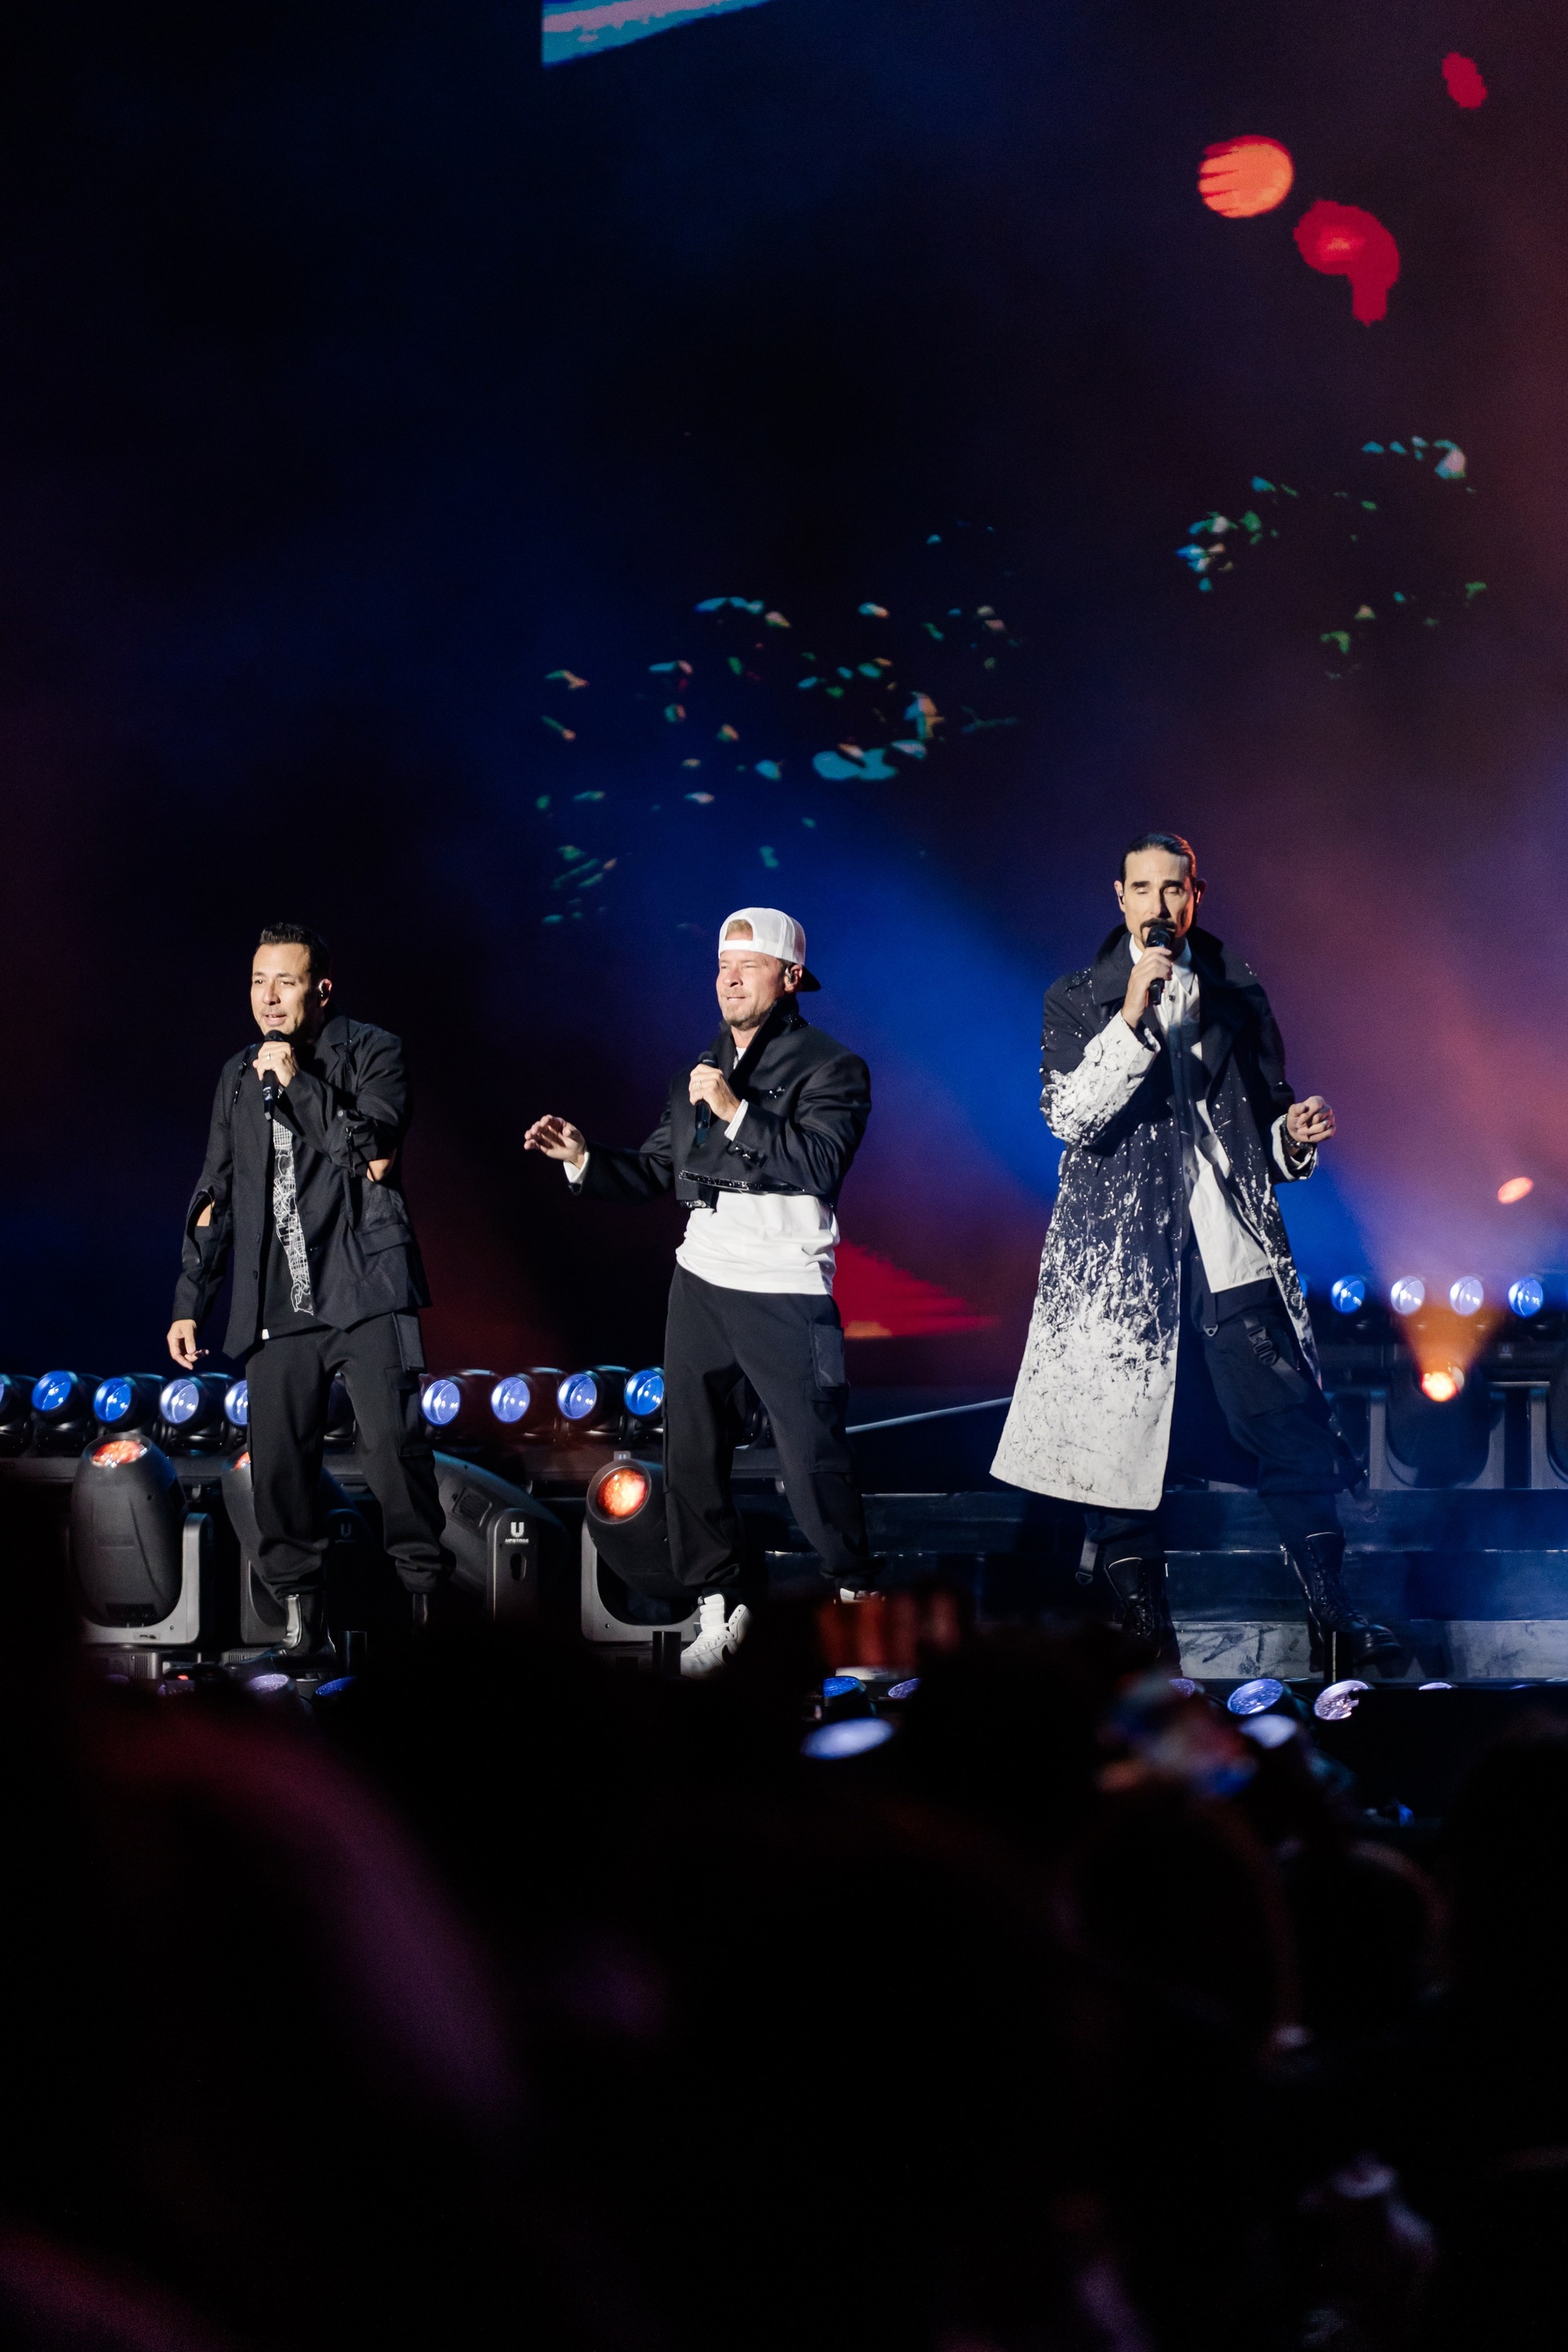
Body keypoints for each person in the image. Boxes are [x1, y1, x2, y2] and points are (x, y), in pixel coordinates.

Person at [991, 832, 1398, 1673]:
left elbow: (1263, 1128)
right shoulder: (1078, 997)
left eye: (1174, 889)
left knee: (1287, 1425)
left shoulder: (1237, 990)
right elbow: (1072, 1116)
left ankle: (1333, 1614)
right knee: (1118, 1442)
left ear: (1195, 896)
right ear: (1120, 898)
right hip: (1119, 1261)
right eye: (1144, 889)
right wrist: (1132, 1018)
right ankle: (1146, 1629)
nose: (1160, 904)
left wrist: (1292, 1136)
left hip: (1225, 1246)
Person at [525, 907, 875, 1674]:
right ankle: (721, 1604)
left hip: (784, 1283)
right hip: (703, 1278)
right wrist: (583, 1158)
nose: (730, 978)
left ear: (789, 978)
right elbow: (659, 1168)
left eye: (748, 965)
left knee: (811, 1452)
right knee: (691, 1452)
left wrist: (736, 1112)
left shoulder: (832, 1066)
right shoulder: (701, 1067)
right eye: (722, 964)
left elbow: (819, 1164)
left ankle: (858, 1607)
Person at [167, 923, 447, 1653]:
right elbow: (215, 1193)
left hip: (364, 1289)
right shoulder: (238, 1076)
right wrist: (191, 1302)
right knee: (278, 1474)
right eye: (258, 982)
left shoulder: (374, 1051)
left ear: (320, 990)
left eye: (284, 982)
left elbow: (372, 1154)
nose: (268, 998)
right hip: (276, 1304)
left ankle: (427, 1614)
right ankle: (302, 1625)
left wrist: (297, 1082)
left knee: (395, 1454)